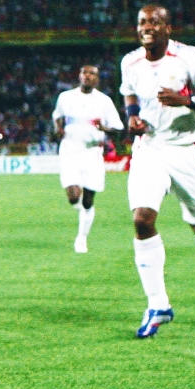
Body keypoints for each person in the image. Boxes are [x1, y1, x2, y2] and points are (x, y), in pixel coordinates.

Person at [120, 5, 195, 338]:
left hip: (188, 152)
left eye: (155, 22)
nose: (147, 27)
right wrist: (132, 117)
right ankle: (158, 304)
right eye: (142, 21)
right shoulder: (130, 61)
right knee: (142, 219)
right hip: (150, 149)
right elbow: (128, 92)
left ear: (169, 28)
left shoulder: (191, 58)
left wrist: (188, 101)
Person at [52, 64, 124, 254]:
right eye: (85, 73)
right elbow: (57, 116)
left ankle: (81, 239)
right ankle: (81, 208)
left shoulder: (104, 101)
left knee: (88, 200)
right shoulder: (66, 97)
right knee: (73, 196)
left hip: (92, 153)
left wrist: (104, 129)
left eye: (92, 74)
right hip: (70, 150)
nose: (88, 76)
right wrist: (58, 128)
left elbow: (118, 128)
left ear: (97, 79)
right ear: (80, 75)